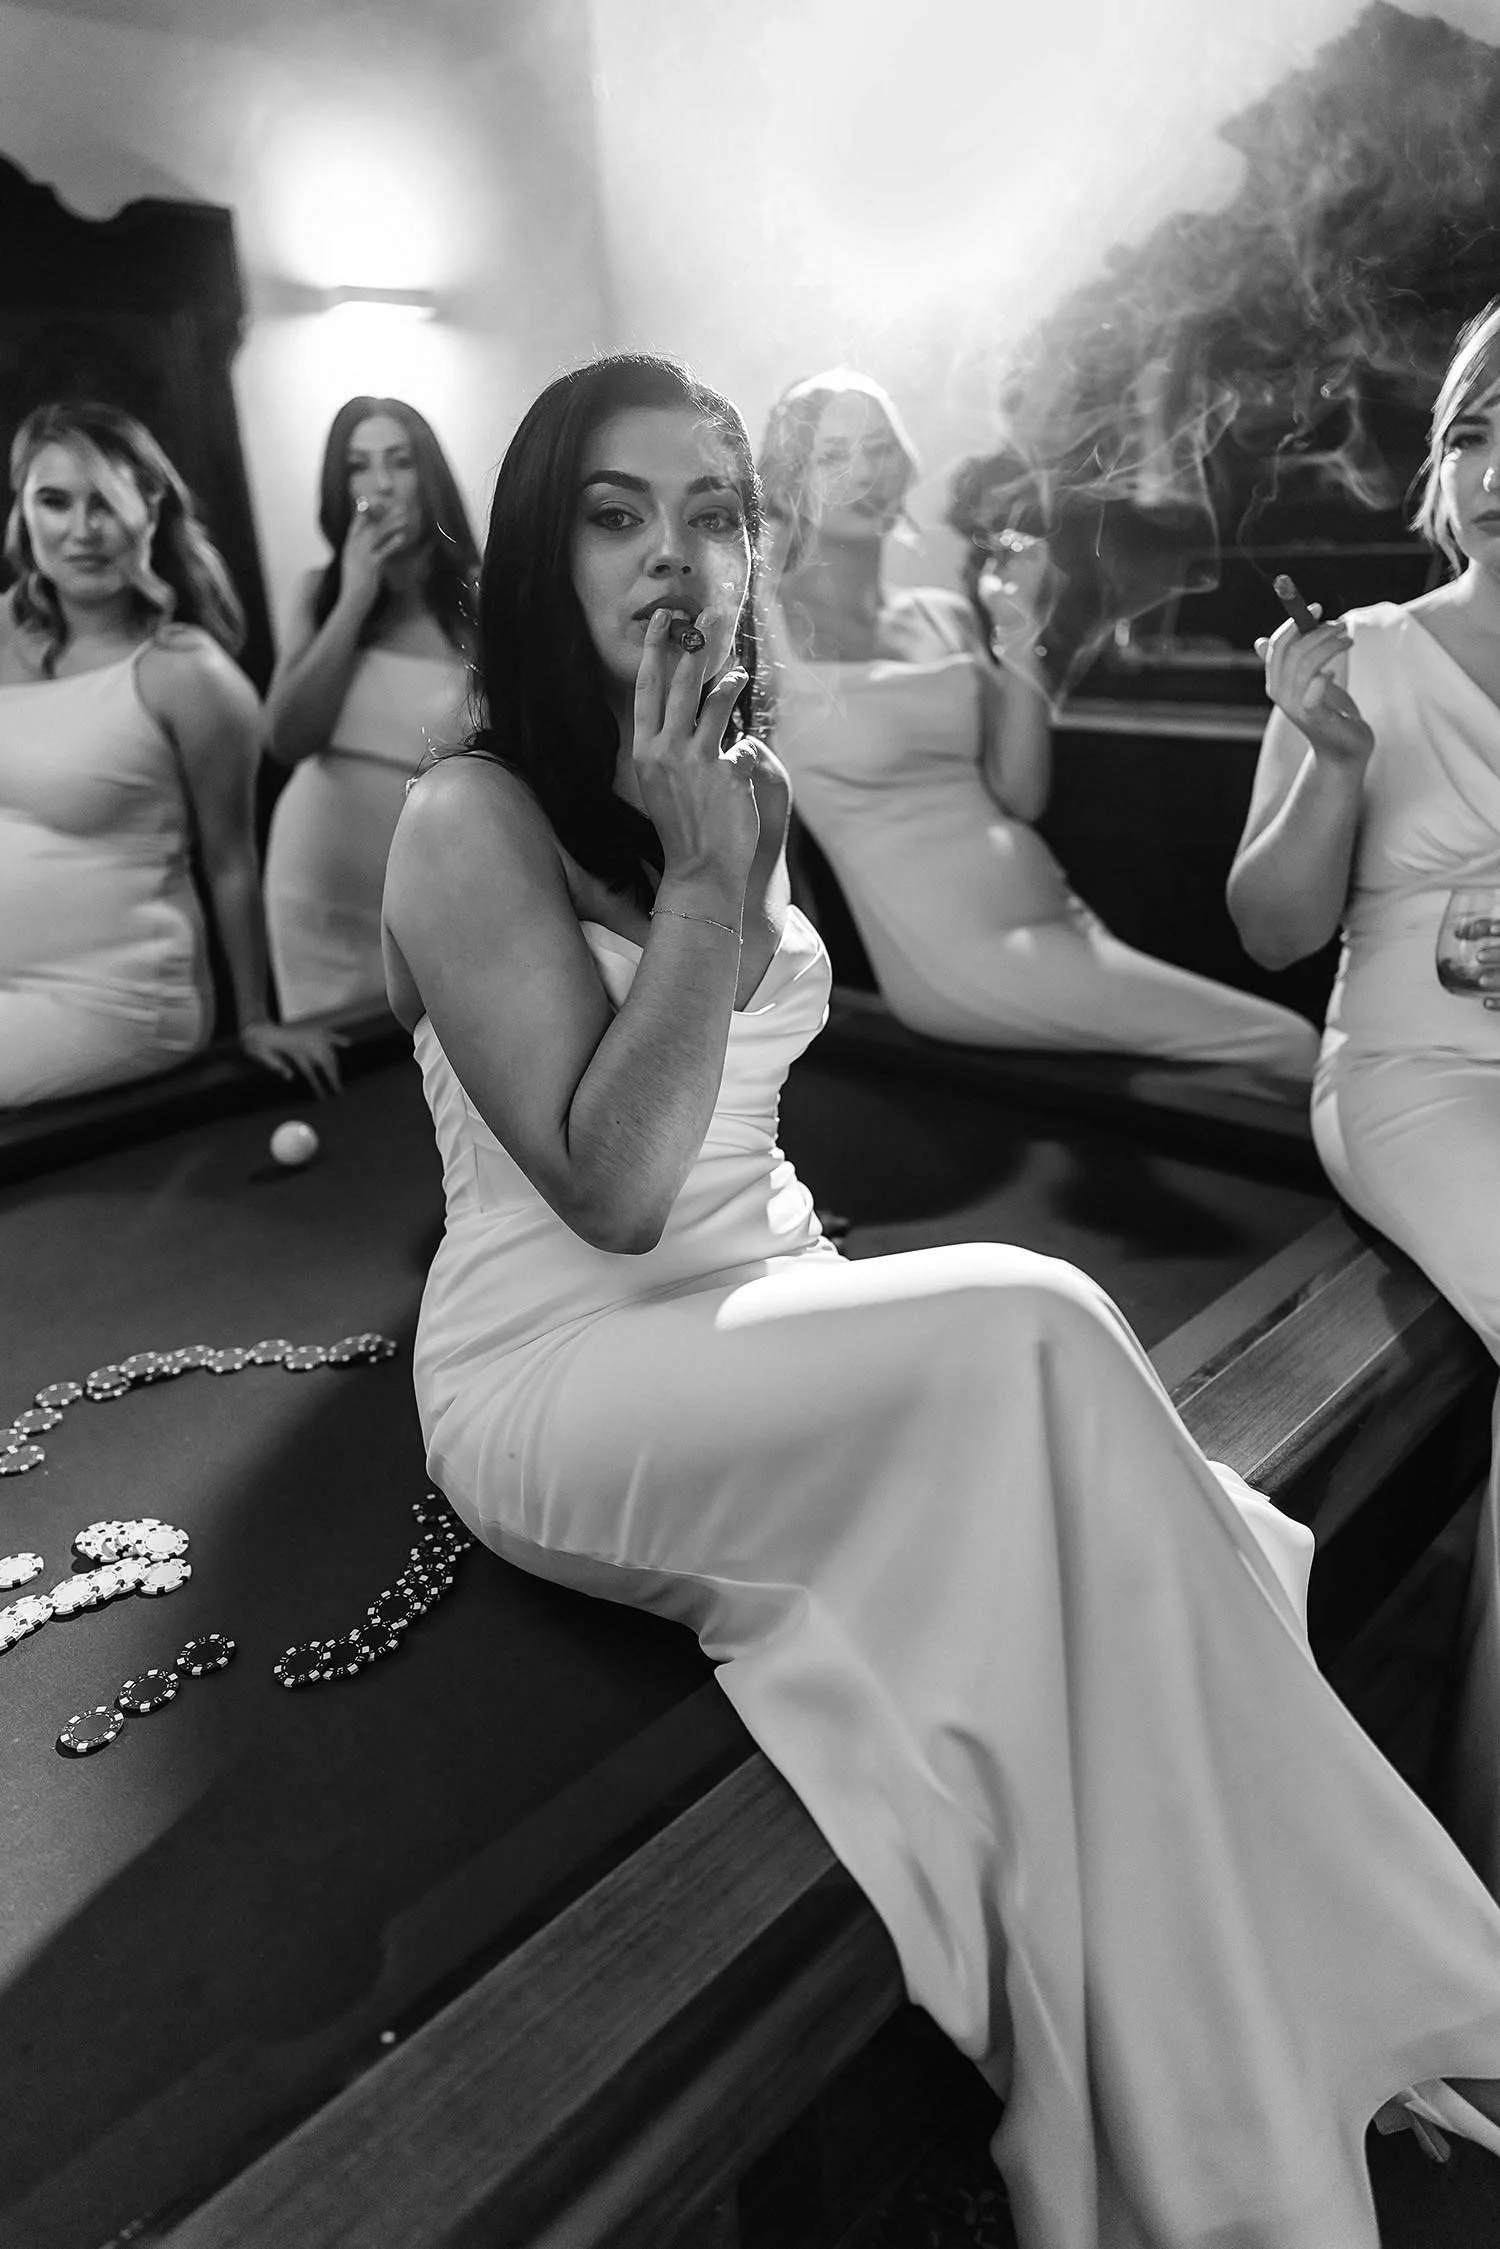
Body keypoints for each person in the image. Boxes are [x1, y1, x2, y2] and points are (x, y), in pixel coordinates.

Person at [382, 350, 1500, 2249]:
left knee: (1065, 1454)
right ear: (535, 548)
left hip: (761, 1301)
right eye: (615, 511)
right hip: (554, 1363)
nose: (675, 554)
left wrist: (728, 847)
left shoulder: (741, 779)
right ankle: (1349, 2021)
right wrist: (706, 872)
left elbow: (752, 1168)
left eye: (714, 511)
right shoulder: (464, 820)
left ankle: (1303, 2022)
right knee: (1042, 1325)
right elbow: (623, 1187)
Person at [1228, 296, 1500, 1896]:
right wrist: (1323, 756)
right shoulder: (1367, 660)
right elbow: (1269, 927)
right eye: (1472, 428)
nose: (1493, 463)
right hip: (1414, 1081)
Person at [759, 370, 1320, 1079]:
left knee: (1256, 1061)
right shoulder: (763, 630)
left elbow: (1019, 794)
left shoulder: (945, 613)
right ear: (785, 483)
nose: (866, 471)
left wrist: (1018, 633)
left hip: (1058, 916)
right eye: (833, 456)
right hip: (959, 956)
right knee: (1286, 1046)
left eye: (878, 447)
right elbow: (759, 837)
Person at [0, 400, 341, 1107]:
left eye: (106, 502)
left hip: (117, 1003)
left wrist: (255, 1020)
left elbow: (231, 860)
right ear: (23, 512)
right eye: (54, 502)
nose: (81, 530)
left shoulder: (189, 674)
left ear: (149, 510)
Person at [263, 397, 479, 1018]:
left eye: (400, 461)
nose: (380, 485)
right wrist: (355, 597)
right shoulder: (320, 592)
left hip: (442, 892)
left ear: (428, 474)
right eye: (359, 466)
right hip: (317, 900)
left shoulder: (481, 598)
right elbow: (286, 737)